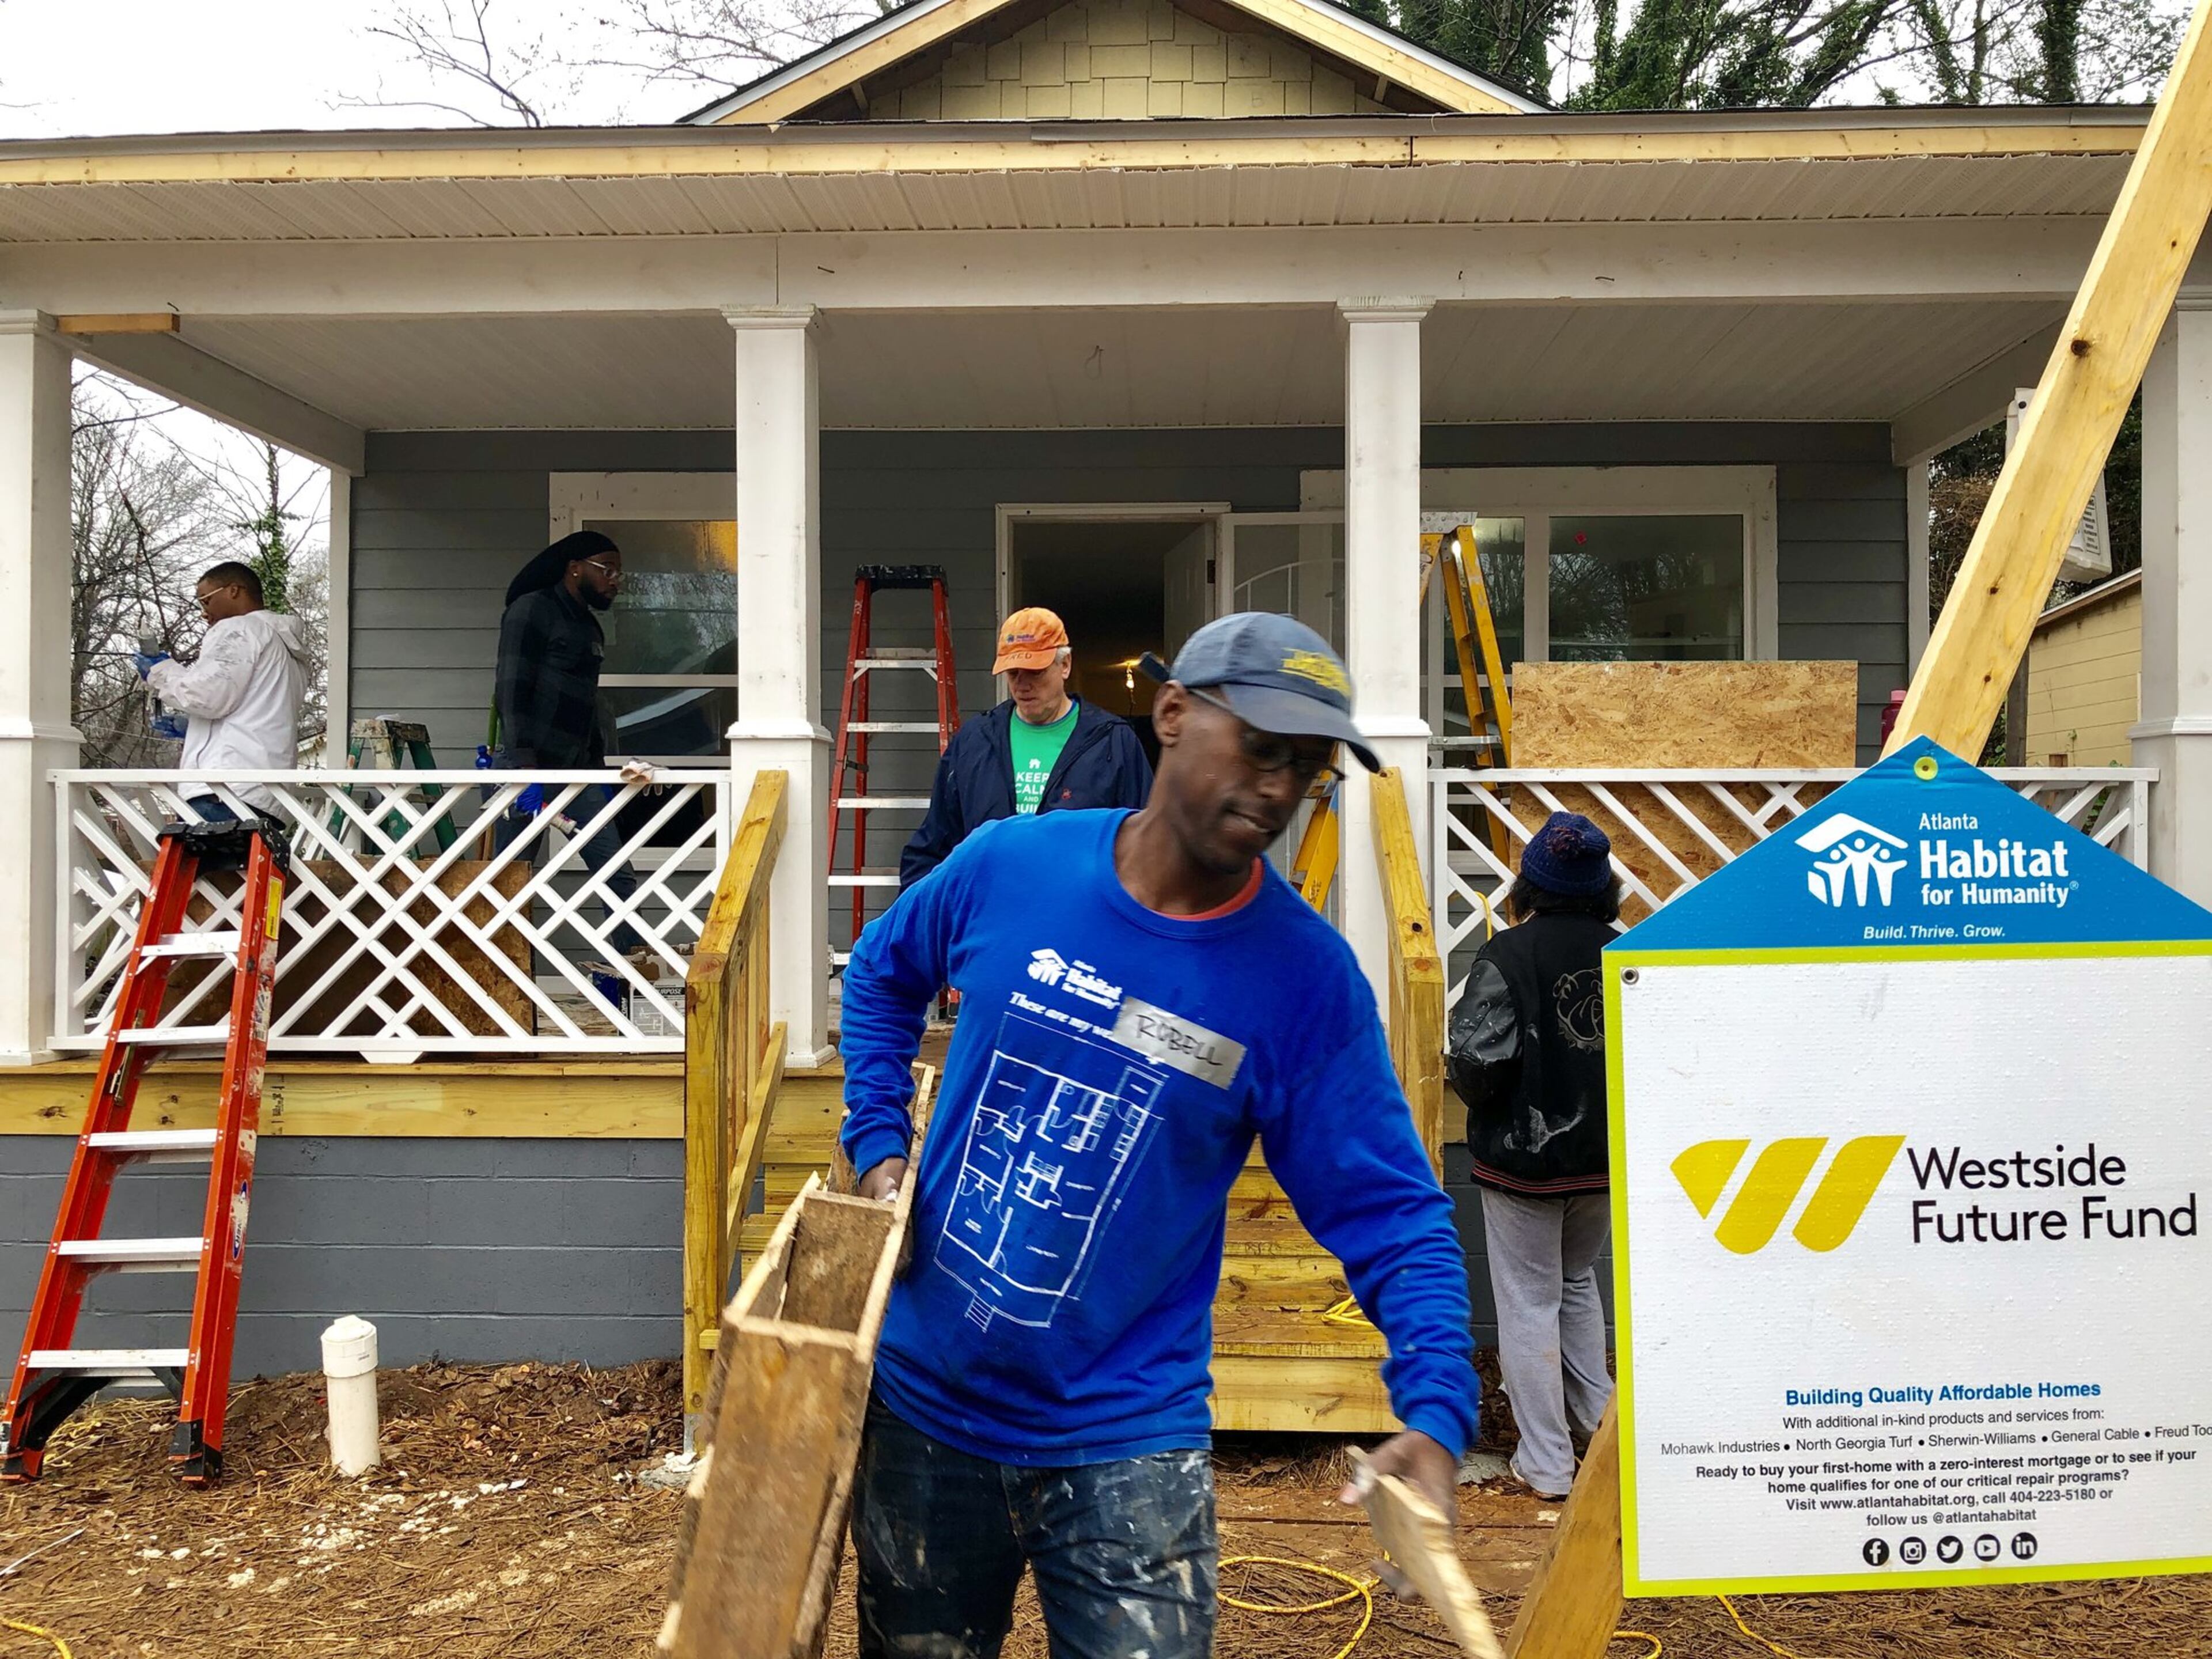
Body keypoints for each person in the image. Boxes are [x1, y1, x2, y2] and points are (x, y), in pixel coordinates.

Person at [840, 611, 1479, 1659]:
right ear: (1174, 716)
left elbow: (1395, 1214)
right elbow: (880, 971)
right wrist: (880, 1150)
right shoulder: (1011, 865)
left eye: (1307, 768)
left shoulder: (1303, 981)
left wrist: (1440, 1404)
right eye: (1261, 749)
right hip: (927, 1414)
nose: (1279, 789)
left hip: (1127, 1441)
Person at [1445, 811, 1620, 1502]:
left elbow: (1479, 1063)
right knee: (1576, 1284)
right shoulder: (1625, 951)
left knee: (1528, 1301)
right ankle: (1604, 1438)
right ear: (1602, 886)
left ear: (1530, 883)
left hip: (1524, 1161)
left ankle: (1547, 1466)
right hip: (1604, 1160)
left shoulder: (1506, 956)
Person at [898, 606, 1152, 889]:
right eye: (1013, 673)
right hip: (990, 919)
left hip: (1077, 922)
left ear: (1065, 665)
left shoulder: (1112, 743)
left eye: (1035, 672)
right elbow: (933, 847)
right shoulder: (974, 743)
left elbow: (1146, 848)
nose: (1022, 685)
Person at [493, 531, 641, 956]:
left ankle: (633, 970)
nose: (615, 580)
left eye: (619, 573)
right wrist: (523, 766)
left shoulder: (589, 625)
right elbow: (511, 689)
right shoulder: (530, 611)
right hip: (528, 769)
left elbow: (587, 703)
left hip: (579, 773)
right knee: (511, 876)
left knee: (615, 870)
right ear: (575, 568)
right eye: (606, 569)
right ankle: (498, 973)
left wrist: (598, 766)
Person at [134, 560, 309, 822]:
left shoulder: (239, 629)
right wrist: (194, 727)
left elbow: (205, 696)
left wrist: (160, 670)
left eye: (206, 600)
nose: (204, 613)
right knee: (236, 864)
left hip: (224, 788)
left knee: (198, 863)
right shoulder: (286, 646)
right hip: (266, 793)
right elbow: (251, 708)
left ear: (234, 591)